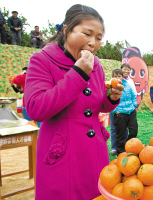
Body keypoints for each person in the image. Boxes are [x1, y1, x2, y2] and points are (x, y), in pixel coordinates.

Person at [24, 4, 123, 199]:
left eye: (98, 38)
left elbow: (94, 105)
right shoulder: (42, 60)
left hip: (95, 153)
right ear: (66, 30)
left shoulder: (96, 65)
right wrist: (78, 73)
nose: (92, 42)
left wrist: (111, 98)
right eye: (87, 34)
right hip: (62, 156)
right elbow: (35, 108)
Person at [109, 63, 136, 156]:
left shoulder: (128, 84)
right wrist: (115, 111)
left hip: (130, 110)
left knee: (133, 130)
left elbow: (133, 95)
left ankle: (129, 147)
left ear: (122, 76)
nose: (117, 78)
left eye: (119, 76)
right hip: (119, 112)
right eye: (115, 76)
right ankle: (119, 152)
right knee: (119, 132)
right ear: (112, 77)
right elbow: (108, 99)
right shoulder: (110, 85)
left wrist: (134, 105)